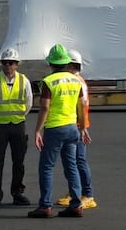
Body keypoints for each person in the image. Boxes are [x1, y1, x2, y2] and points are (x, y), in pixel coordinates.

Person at [28, 44, 87, 218]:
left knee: (46, 167)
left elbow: (45, 107)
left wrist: (38, 130)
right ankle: (76, 205)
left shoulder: (49, 82)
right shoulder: (76, 80)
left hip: (54, 128)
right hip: (72, 128)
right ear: (66, 63)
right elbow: (82, 105)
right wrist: (83, 128)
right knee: (72, 166)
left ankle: (45, 205)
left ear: (51, 64)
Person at [0, 48, 34, 208]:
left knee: (19, 162)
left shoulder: (24, 81)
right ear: (1, 64)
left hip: (18, 125)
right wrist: (0, 115)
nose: (8, 66)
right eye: (5, 63)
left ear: (17, 65)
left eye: (11, 63)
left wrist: (16, 115)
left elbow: (28, 103)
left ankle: (17, 193)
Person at [56, 49, 97, 209]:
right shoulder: (73, 80)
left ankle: (87, 194)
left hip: (77, 126)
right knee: (70, 161)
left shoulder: (77, 82)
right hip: (73, 125)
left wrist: (83, 127)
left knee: (79, 160)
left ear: (70, 64)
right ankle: (75, 192)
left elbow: (82, 106)